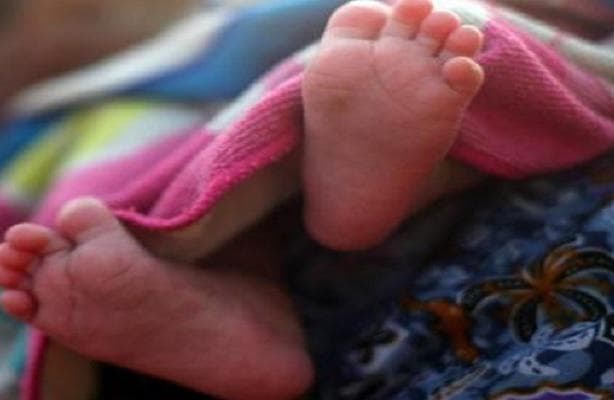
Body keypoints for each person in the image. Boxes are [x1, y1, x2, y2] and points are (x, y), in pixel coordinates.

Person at [0, 1, 485, 399]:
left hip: (230, 110)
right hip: (195, 123)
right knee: (212, 180)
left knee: (213, 182)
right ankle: (241, 308)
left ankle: (252, 310)